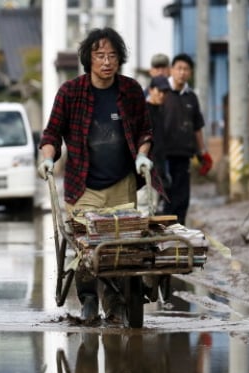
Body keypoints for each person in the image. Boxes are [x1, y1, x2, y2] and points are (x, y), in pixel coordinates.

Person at [37, 27, 162, 321]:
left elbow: (146, 130)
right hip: (84, 187)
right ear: (88, 59)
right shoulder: (70, 93)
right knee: (87, 248)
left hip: (122, 184)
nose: (107, 61)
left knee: (121, 247)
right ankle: (89, 296)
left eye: (112, 55)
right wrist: (47, 159)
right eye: (100, 55)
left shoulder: (130, 90)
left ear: (119, 59)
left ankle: (116, 300)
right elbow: (51, 135)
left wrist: (143, 154)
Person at [161, 53, 208, 225]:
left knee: (182, 198)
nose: (182, 72)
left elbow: (197, 127)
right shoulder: (162, 93)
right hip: (163, 156)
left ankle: (179, 234)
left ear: (190, 73)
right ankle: (162, 237)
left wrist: (202, 152)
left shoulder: (191, 97)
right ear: (172, 70)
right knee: (165, 197)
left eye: (186, 69)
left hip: (184, 155)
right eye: (179, 68)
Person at [146, 75, 173, 192]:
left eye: (165, 92)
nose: (162, 95)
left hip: (159, 170)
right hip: (145, 170)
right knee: (145, 208)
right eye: (159, 91)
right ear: (151, 90)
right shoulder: (142, 110)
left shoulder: (162, 111)